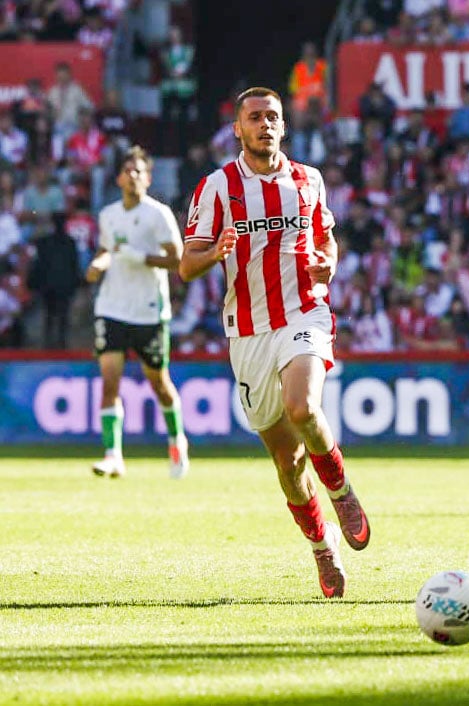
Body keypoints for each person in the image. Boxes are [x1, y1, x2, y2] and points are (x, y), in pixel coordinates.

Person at [178, 87, 370, 598]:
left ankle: (341, 490)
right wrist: (214, 253)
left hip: (304, 311)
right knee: (287, 462)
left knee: (302, 406)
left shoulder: (309, 180)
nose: (265, 124)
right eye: (255, 117)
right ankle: (322, 547)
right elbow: (186, 264)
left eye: (272, 117)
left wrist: (329, 263)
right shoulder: (217, 187)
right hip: (247, 331)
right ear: (237, 128)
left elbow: (326, 238)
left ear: (283, 126)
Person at [84, 146, 188, 479]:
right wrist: (99, 265)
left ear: (148, 178)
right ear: (118, 178)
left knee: (159, 383)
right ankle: (112, 455)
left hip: (148, 311)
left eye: (138, 171)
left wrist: (142, 258)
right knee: (109, 382)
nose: (132, 176)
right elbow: (107, 250)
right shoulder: (108, 215)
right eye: (127, 170)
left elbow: (178, 260)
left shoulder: (159, 214)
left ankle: (176, 440)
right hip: (112, 307)